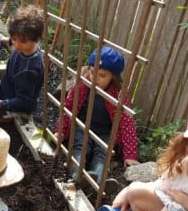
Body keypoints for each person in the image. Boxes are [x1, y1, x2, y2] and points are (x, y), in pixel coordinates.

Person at [56, 46, 139, 182]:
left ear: (113, 77)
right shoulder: (82, 85)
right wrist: (60, 131)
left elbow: (126, 122)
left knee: (102, 155)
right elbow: (68, 108)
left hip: (105, 134)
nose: (95, 78)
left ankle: (96, 181)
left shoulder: (118, 95)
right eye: (93, 72)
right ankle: (76, 176)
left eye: (102, 75)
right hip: (82, 127)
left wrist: (130, 154)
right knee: (80, 148)